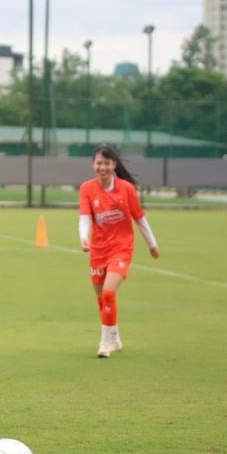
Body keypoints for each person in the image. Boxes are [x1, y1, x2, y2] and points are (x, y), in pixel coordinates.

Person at [77, 143, 159, 358]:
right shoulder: (86, 188)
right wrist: (83, 238)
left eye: (106, 163)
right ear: (92, 164)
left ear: (114, 165)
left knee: (109, 292)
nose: (102, 167)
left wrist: (152, 243)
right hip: (98, 250)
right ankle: (114, 335)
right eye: (98, 163)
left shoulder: (126, 189)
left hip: (121, 248)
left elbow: (139, 217)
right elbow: (85, 218)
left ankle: (106, 344)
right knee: (101, 299)